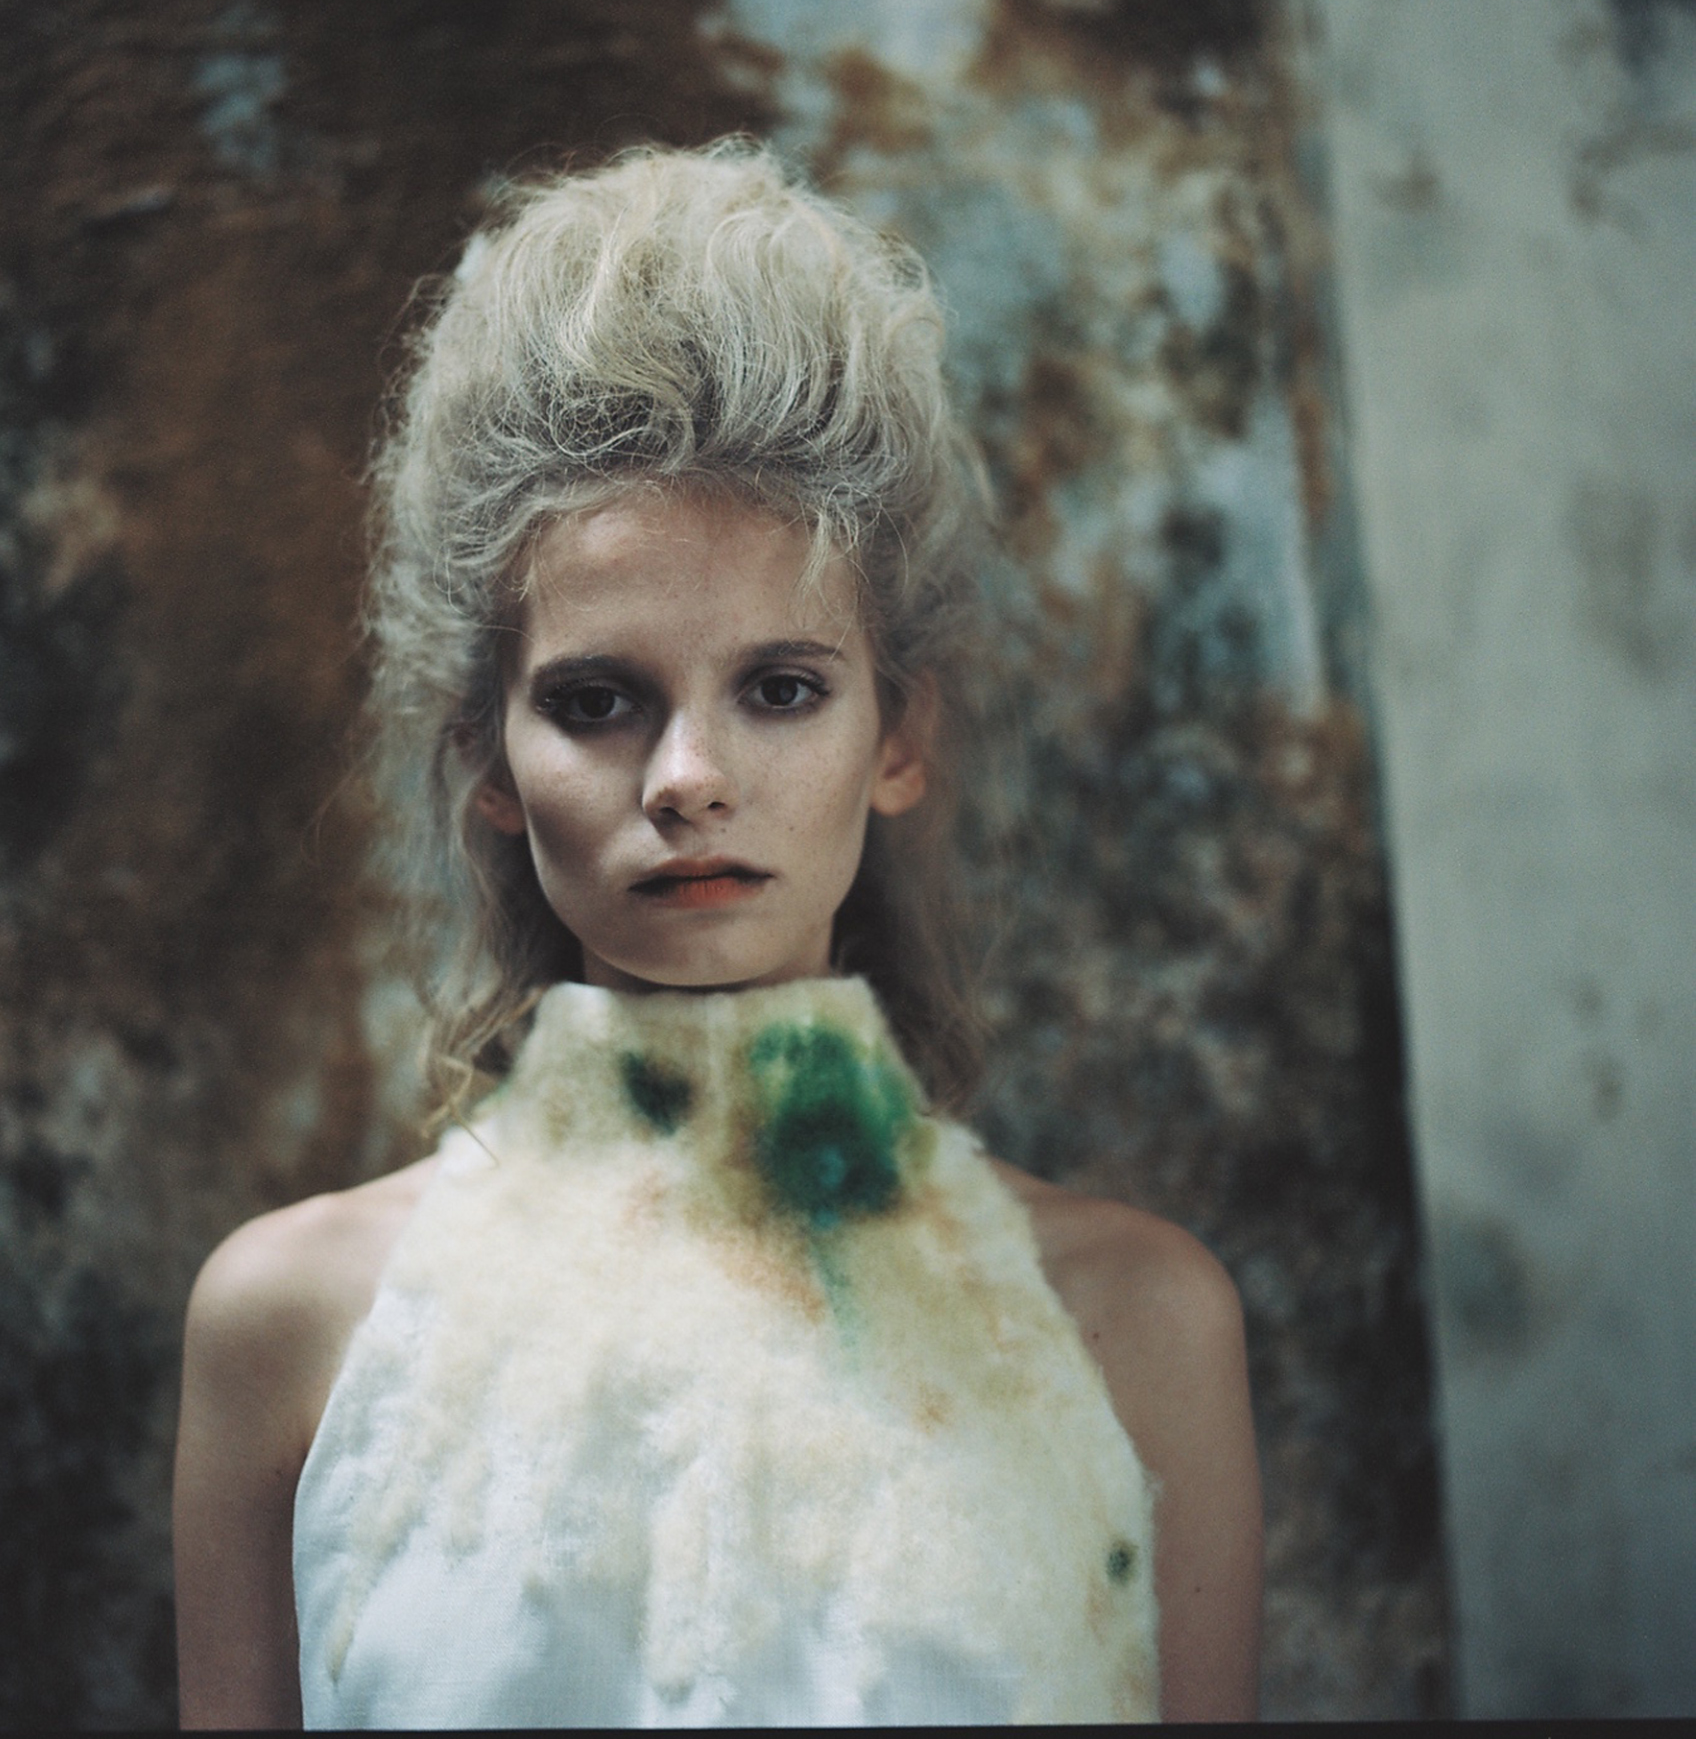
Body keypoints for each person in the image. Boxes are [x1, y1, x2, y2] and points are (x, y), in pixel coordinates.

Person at [172, 141, 1262, 1727]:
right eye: (597, 701)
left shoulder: (1141, 1321)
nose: (688, 777)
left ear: (900, 738)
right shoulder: (290, 1322)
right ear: (488, 760)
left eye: (782, 688)